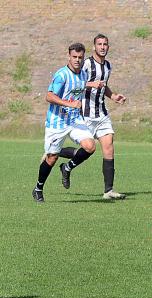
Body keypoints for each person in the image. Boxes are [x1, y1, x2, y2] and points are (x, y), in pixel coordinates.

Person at [32, 42, 105, 202]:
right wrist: (70, 103)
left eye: (80, 57)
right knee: (51, 158)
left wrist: (92, 84)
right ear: (69, 56)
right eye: (74, 57)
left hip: (74, 120)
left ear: (83, 57)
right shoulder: (61, 75)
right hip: (57, 122)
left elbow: (80, 84)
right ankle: (38, 188)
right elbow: (49, 96)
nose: (77, 60)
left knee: (90, 146)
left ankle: (67, 167)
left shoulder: (83, 74)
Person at [58, 34, 127, 199]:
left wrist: (113, 96)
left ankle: (108, 191)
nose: (102, 47)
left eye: (105, 44)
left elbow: (104, 86)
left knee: (109, 146)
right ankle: (63, 162)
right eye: (99, 44)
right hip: (85, 114)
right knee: (88, 150)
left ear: (108, 47)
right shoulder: (86, 64)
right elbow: (74, 82)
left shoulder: (108, 66)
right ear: (94, 46)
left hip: (101, 113)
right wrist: (90, 84)